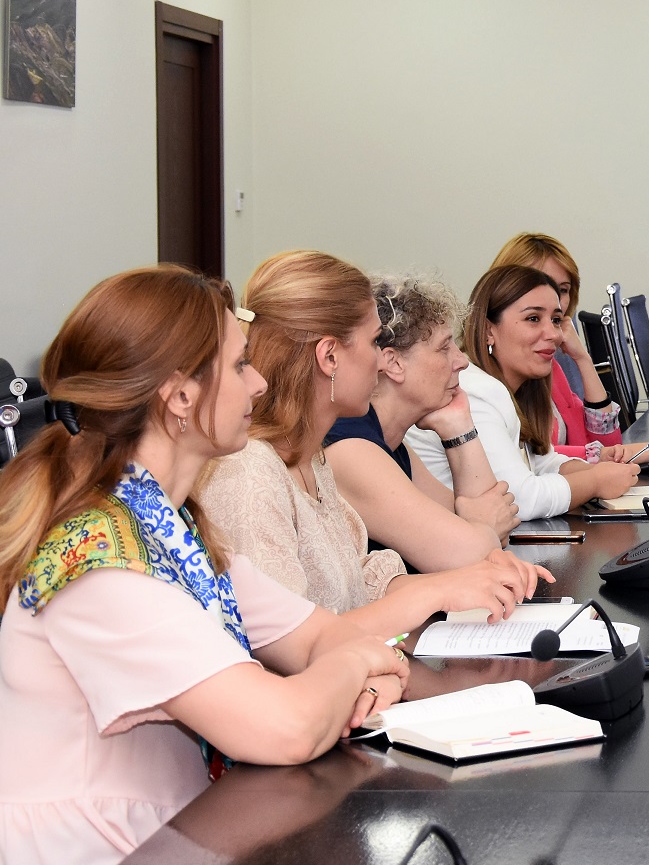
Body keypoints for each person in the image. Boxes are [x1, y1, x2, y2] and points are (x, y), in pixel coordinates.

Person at [0, 266, 409, 863]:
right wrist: (357, 665)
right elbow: (286, 726)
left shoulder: (175, 533)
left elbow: (325, 637)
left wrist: (358, 664)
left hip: (177, 837)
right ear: (180, 397)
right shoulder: (99, 564)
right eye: (240, 365)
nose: (259, 384)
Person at [195, 251, 552, 637]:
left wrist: (462, 583)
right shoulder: (251, 470)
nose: (381, 362)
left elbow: (355, 584)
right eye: (373, 342)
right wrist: (441, 589)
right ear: (329, 357)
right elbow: (291, 640)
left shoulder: (312, 458)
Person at [407, 265, 646, 519]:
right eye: (533, 319)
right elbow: (519, 499)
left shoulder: (515, 386)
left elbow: (539, 461)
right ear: (488, 331)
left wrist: (591, 470)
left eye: (556, 320)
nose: (553, 334)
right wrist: (595, 481)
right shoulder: (475, 390)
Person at [325, 274, 520, 569]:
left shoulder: (391, 444)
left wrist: (459, 426)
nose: (462, 361)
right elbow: (468, 555)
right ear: (393, 363)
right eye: (444, 348)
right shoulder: (349, 447)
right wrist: (480, 528)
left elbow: (492, 527)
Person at [490, 232, 649, 464]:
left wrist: (583, 359)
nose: (553, 298)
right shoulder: (481, 386)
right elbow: (531, 461)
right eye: (537, 284)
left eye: (562, 290)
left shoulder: (550, 368)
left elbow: (606, 444)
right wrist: (647, 450)